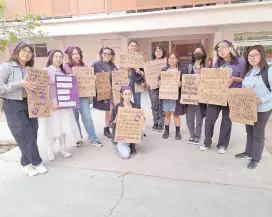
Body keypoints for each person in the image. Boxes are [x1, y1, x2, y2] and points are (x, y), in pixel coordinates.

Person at [0, 42, 47, 176]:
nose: (27, 53)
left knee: (32, 133)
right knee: (25, 135)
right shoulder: (6, 67)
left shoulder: (31, 69)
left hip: (31, 104)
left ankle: (25, 164)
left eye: (30, 52)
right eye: (24, 51)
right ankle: (37, 162)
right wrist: (19, 83)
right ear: (17, 52)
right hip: (13, 105)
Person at [200, 40, 245, 154]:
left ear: (230, 48)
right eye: (219, 50)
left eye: (223, 48)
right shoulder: (217, 63)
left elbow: (246, 79)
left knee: (226, 120)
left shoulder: (241, 61)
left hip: (231, 95)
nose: (221, 51)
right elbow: (212, 78)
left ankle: (223, 144)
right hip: (217, 95)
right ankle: (207, 141)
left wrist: (234, 79)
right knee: (210, 119)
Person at [39, 49, 81, 161]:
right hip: (52, 103)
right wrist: (50, 103)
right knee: (53, 127)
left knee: (64, 126)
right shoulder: (45, 71)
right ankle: (50, 150)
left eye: (61, 57)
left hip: (64, 103)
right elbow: (42, 90)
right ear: (51, 58)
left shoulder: (64, 72)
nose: (58, 59)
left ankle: (62, 148)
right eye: (56, 57)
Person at [235, 45, 272, 169]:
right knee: (249, 132)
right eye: (250, 55)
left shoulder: (268, 71)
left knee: (258, 133)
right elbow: (245, 88)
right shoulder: (248, 71)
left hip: (263, 109)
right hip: (249, 108)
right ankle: (248, 152)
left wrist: (262, 99)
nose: (253, 58)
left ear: (262, 56)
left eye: (256, 55)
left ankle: (256, 158)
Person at [63, 46, 102, 147]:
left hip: (83, 95)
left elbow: (90, 80)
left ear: (80, 55)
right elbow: (61, 80)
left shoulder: (85, 66)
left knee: (87, 117)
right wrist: (68, 78)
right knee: (74, 118)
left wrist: (92, 78)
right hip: (71, 96)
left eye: (77, 54)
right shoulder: (65, 66)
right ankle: (78, 138)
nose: (76, 56)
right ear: (70, 56)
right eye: (73, 54)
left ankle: (93, 138)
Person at [158, 52, 186, 140]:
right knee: (167, 114)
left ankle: (178, 132)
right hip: (166, 96)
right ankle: (166, 131)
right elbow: (158, 82)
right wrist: (159, 83)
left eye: (174, 58)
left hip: (176, 96)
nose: (172, 60)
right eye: (170, 58)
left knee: (176, 114)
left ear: (177, 59)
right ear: (167, 59)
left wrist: (181, 83)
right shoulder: (164, 70)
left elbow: (186, 83)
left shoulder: (182, 70)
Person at [92, 47, 118, 139]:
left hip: (113, 92)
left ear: (111, 56)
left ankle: (107, 128)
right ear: (101, 54)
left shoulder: (113, 66)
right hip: (103, 91)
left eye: (109, 54)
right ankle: (109, 128)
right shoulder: (96, 65)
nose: (107, 55)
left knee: (110, 111)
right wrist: (95, 78)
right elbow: (89, 76)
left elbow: (118, 77)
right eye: (105, 53)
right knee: (109, 110)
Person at [186, 44, 209, 145]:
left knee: (199, 117)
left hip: (201, 96)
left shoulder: (207, 65)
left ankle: (197, 136)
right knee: (189, 117)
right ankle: (191, 134)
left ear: (203, 54)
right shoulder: (189, 66)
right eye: (195, 53)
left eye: (199, 52)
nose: (197, 54)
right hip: (190, 95)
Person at [110, 86, 138, 159]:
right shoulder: (117, 107)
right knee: (125, 155)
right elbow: (111, 124)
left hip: (131, 134)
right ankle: (122, 146)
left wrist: (142, 120)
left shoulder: (135, 106)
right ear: (122, 95)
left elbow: (139, 123)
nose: (128, 96)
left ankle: (132, 143)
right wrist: (115, 121)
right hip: (121, 136)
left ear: (131, 95)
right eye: (125, 94)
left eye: (129, 94)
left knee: (142, 131)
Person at [148, 45, 166, 132]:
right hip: (153, 87)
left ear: (163, 52)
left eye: (160, 50)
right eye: (156, 51)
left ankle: (161, 122)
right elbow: (147, 74)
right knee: (154, 105)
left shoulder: (166, 63)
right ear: (154, 53)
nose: (158, 52)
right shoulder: (149, 64)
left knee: (162, 105)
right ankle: (155, 122)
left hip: (164, 87)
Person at [127, 40, 145, 109]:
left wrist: (140, 72)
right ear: (128, 47)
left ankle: (138, 118)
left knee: (137, 101)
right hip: (127, 80)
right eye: (131, 46)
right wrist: (126, 68)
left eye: (135, 46)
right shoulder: (124, 57)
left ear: (136, 48)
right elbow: (120, 70)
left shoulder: (140, 58)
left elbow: (144, 72)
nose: (133, 47)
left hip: (137, 82)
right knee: (126, 100)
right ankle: (128, 116)